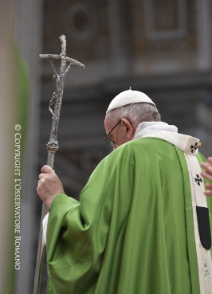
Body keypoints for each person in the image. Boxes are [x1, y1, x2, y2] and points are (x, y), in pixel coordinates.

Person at [37, 89, 212, 294]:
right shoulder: (199, 164)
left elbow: (88, 233)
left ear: (127, 127)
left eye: (112, 138)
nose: (114, 147)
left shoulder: (125, 157)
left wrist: (57, 200)